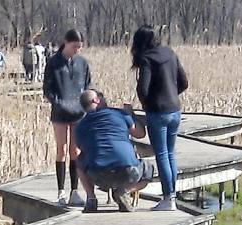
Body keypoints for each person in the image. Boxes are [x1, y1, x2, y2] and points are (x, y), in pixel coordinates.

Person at [131, 25, 189, 211]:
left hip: (158, 113)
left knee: (162, 154)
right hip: (175, 110)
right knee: (170, 154)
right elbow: (184, 82)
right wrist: (171, 92)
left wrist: (148, 103)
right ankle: (172, 196)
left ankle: (168, 199)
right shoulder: (170, 53)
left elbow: (144, 90)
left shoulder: (147, 59)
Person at [75, 90, 154, 213]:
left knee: (79, 162)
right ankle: (124, 191)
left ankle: (91, 198)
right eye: (101, 95)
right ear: (96, 100)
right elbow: (140, 134)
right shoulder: (120, 114)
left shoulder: (80, 126)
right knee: (149, 169)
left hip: (97, 175)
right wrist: (131, 114)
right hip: (128, 171)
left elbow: (80, 148)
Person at [43, 29, 92, 206]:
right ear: (66, 43)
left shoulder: (82, 63)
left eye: (79, 47)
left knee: (75, 152)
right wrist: (57, 102)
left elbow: (88, 85)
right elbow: (47, 88)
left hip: (79, 112)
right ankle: (60, 191)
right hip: (60, 112)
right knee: (61, 150)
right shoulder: (54, 63)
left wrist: (89, 102)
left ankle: (74, 191)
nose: (77, 50)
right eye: (74, 46)